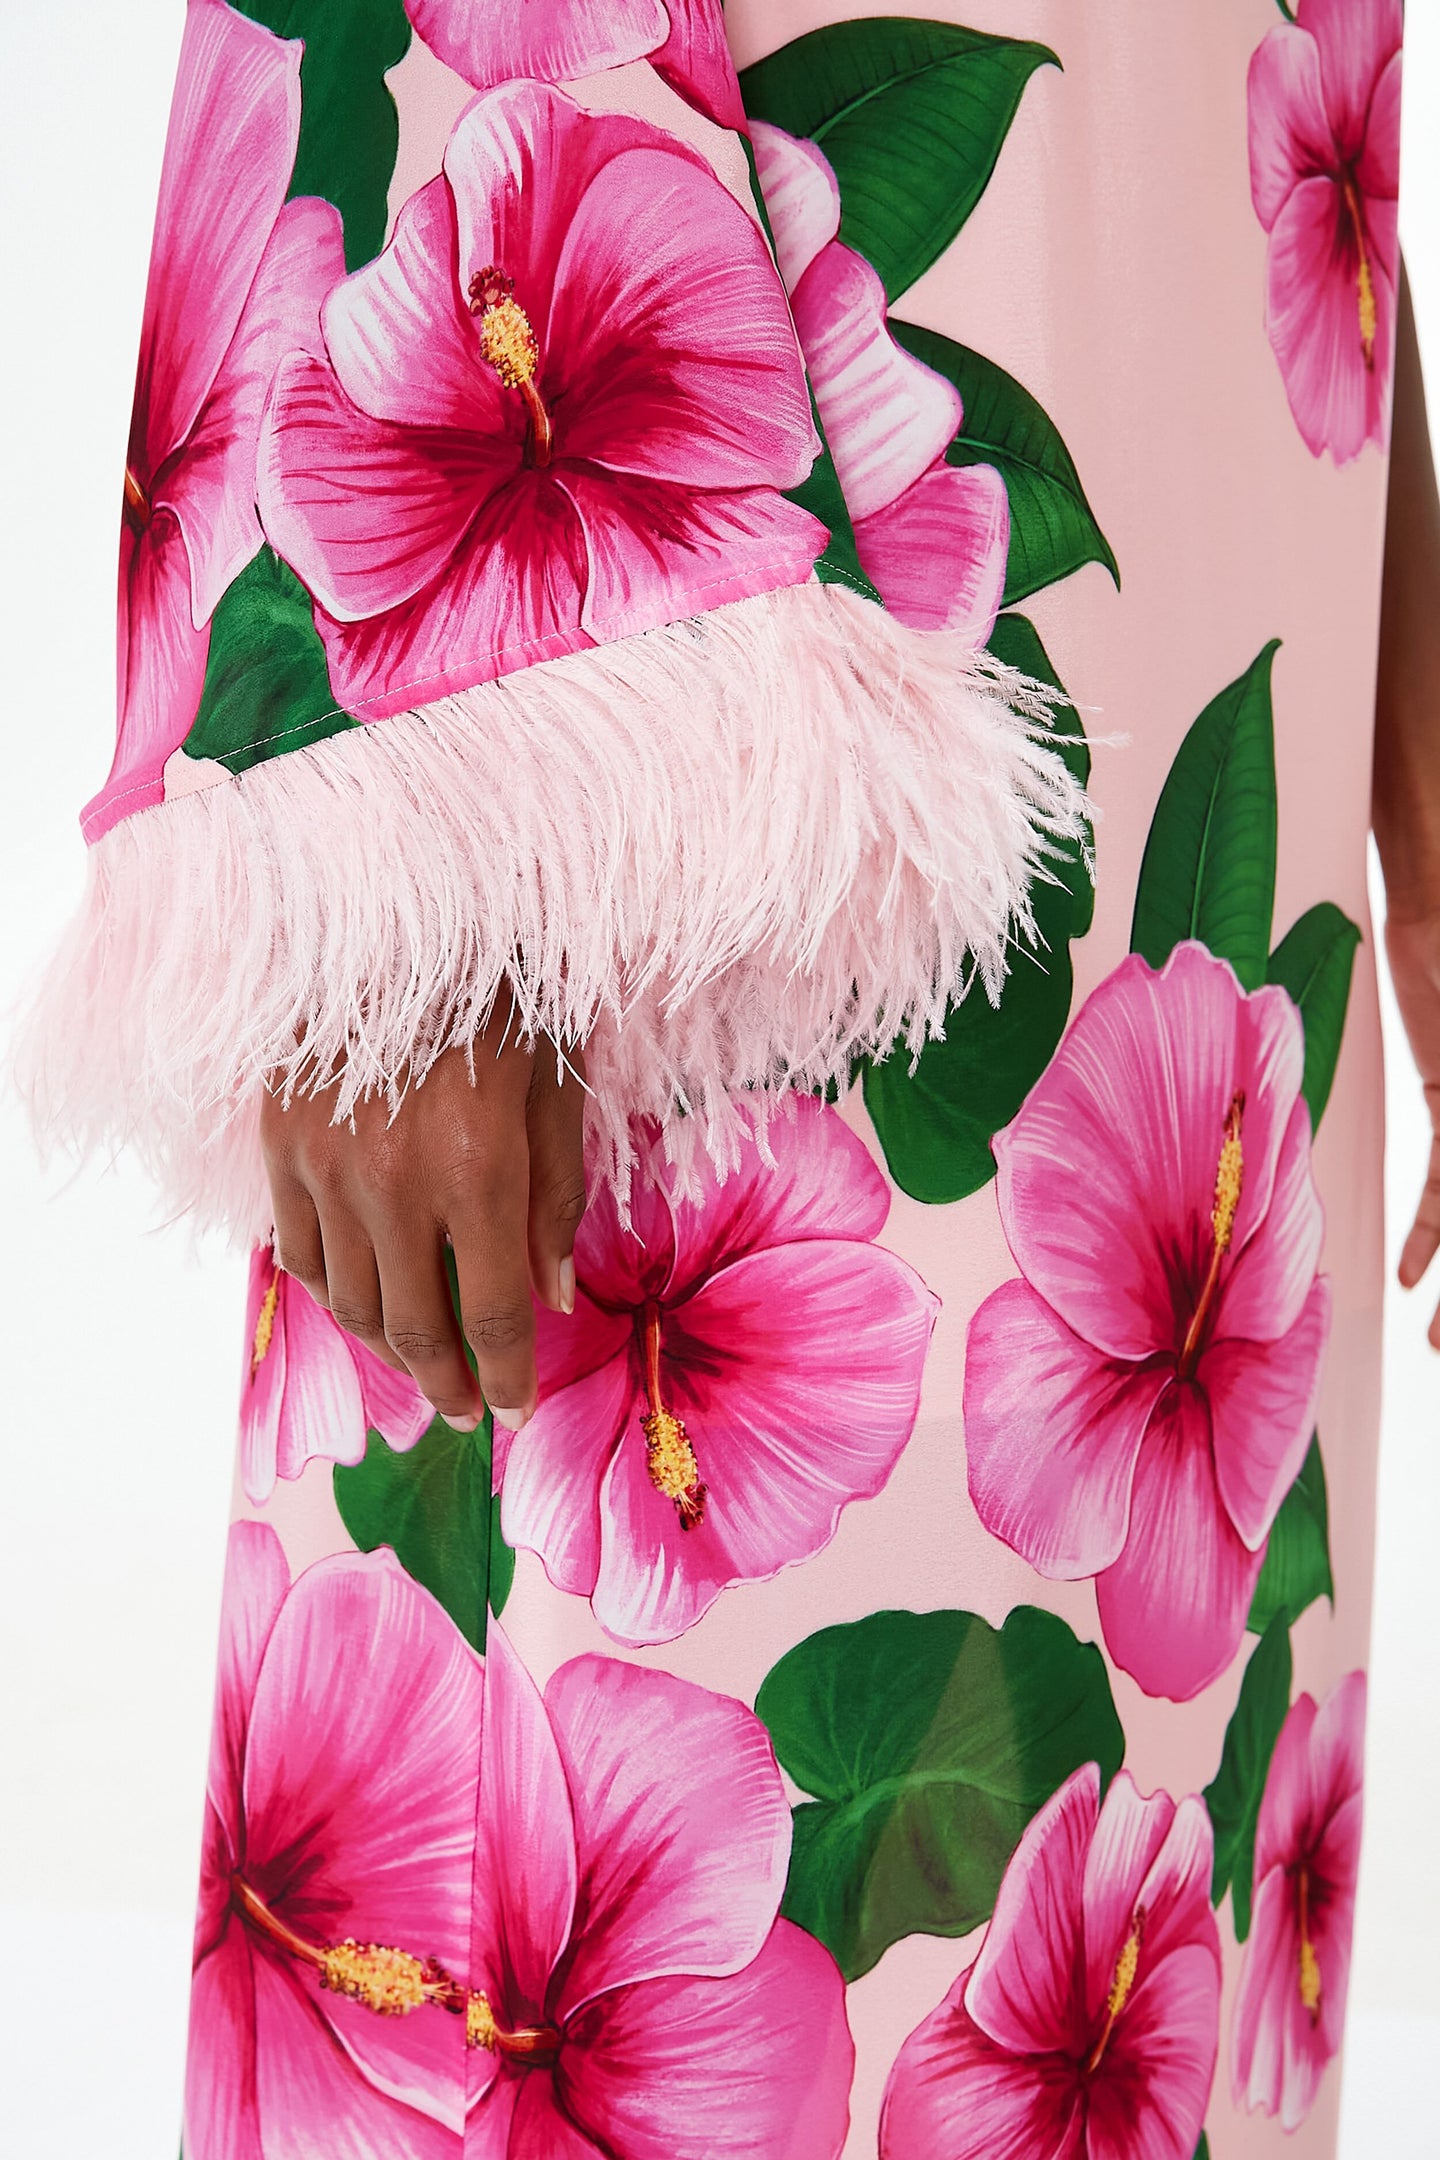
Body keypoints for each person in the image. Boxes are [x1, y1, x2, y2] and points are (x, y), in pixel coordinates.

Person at [21, 1, 1429, 2152]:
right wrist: (384, 815)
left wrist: (1410, 708)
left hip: (1228, 444)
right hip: (676, 664)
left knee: (1146, 1898)